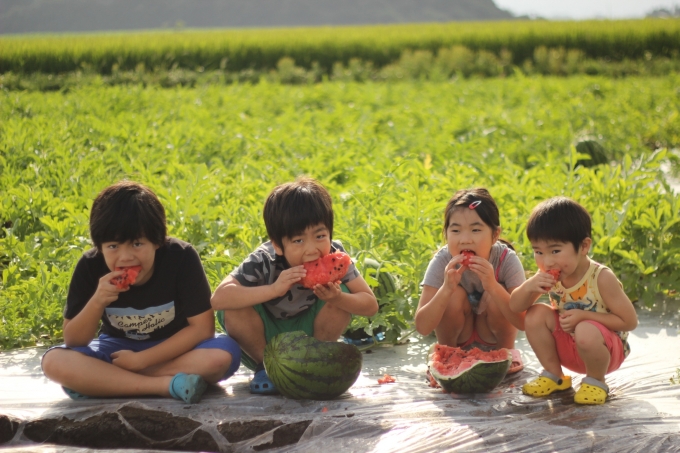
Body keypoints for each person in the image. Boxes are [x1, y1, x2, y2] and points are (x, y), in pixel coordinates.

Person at [42, 181, 240, 404]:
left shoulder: (181, 258)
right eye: (113, 247)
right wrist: (97, 301)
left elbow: (202, 329)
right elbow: (73, 340)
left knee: (222, 355)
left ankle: (105, 382)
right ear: (99, 246)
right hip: (117, 349)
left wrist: (141, 361)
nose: (125, 257)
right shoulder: (90, 266)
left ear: (157, 241)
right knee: (54, 362)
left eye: (137, 244)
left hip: (176, 348)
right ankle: (165, 385)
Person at [212, 177, 378, 394]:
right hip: (263, 339)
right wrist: (273, 289)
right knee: (235, 304)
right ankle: (266, 368)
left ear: (330, 232)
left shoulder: (336, 256)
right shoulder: (263, 260)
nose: (311, 249)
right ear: (278, 245)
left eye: (320, 236)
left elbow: (370, 305)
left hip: (310, 335)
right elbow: (218, 299)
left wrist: (337, 298)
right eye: (298, 241)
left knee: (345, 294)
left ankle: (313, 364)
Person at [509, 197, 637, 405]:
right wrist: (531, 286)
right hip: (570, 347)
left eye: (555, 251)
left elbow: (629, 321)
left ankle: (596, 382)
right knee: (535, 314)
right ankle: (554, 376)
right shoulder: (549, 276)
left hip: (605, 350)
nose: (547, 261)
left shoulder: (601, 277)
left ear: (584, 246)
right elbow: (515, 307)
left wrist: (584, 316)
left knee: (585, 329)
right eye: (538, 252)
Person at [415, 188, 526, 369]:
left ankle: (506, 351)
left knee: (498, 293)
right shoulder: (442, 260)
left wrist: (492, 286)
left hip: (491, 335)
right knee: (452, 295)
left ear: (495, 235)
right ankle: (447, 353)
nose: (465, 240)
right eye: (456, 230)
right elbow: (422, 327)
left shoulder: (507, 260)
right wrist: (446, 289)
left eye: (475, 230)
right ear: (446, 234)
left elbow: (523, 322)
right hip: (459, 336)